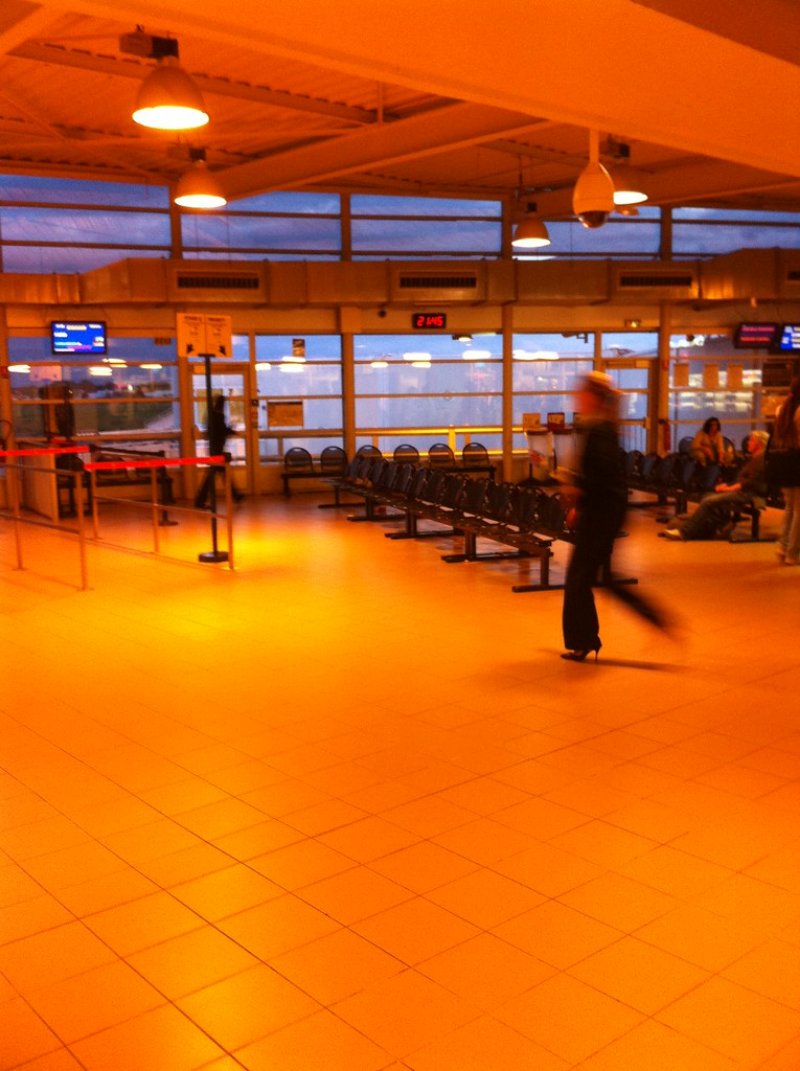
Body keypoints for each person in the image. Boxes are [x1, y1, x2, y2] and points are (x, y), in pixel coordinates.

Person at [560, 372, 673, 662]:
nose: (577, 398)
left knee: (578, 578)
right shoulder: (599, 428)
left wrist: (577, 490)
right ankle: (656, 620)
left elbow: (602, 478)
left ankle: (583, 641)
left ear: (593, 398)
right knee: (602, 579)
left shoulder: (599, 431)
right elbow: (599, 477)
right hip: (604, 512)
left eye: (581, 394)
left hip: (602, 514)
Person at [663, 430, 768, 541]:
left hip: (749, 494)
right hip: (742, 491)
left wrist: (729, 489)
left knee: (709, 501)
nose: (748, 443)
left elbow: (751, 482)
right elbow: (742, 479)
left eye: (751, 440)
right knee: (707, 496)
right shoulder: (754, 459)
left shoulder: (761, 460)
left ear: (759, 443)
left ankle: (685, 532)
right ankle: (714, 526)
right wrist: (726, 485)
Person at [194, 394, 244, 508]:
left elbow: (215, 431)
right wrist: (233, 431)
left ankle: (201, 500)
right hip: (218, 451)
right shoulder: (219, 416)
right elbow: (222, 431)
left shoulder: (210, 415)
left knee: (215, 476)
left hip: (213, 449)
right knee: (218, 475)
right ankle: (236, 496)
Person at [771, 377, 800, 565]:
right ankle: (792, 553)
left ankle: (783, 547)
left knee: (790, 508)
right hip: (798, 462)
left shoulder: (782, 410)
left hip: (785, 464)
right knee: (799, 511)